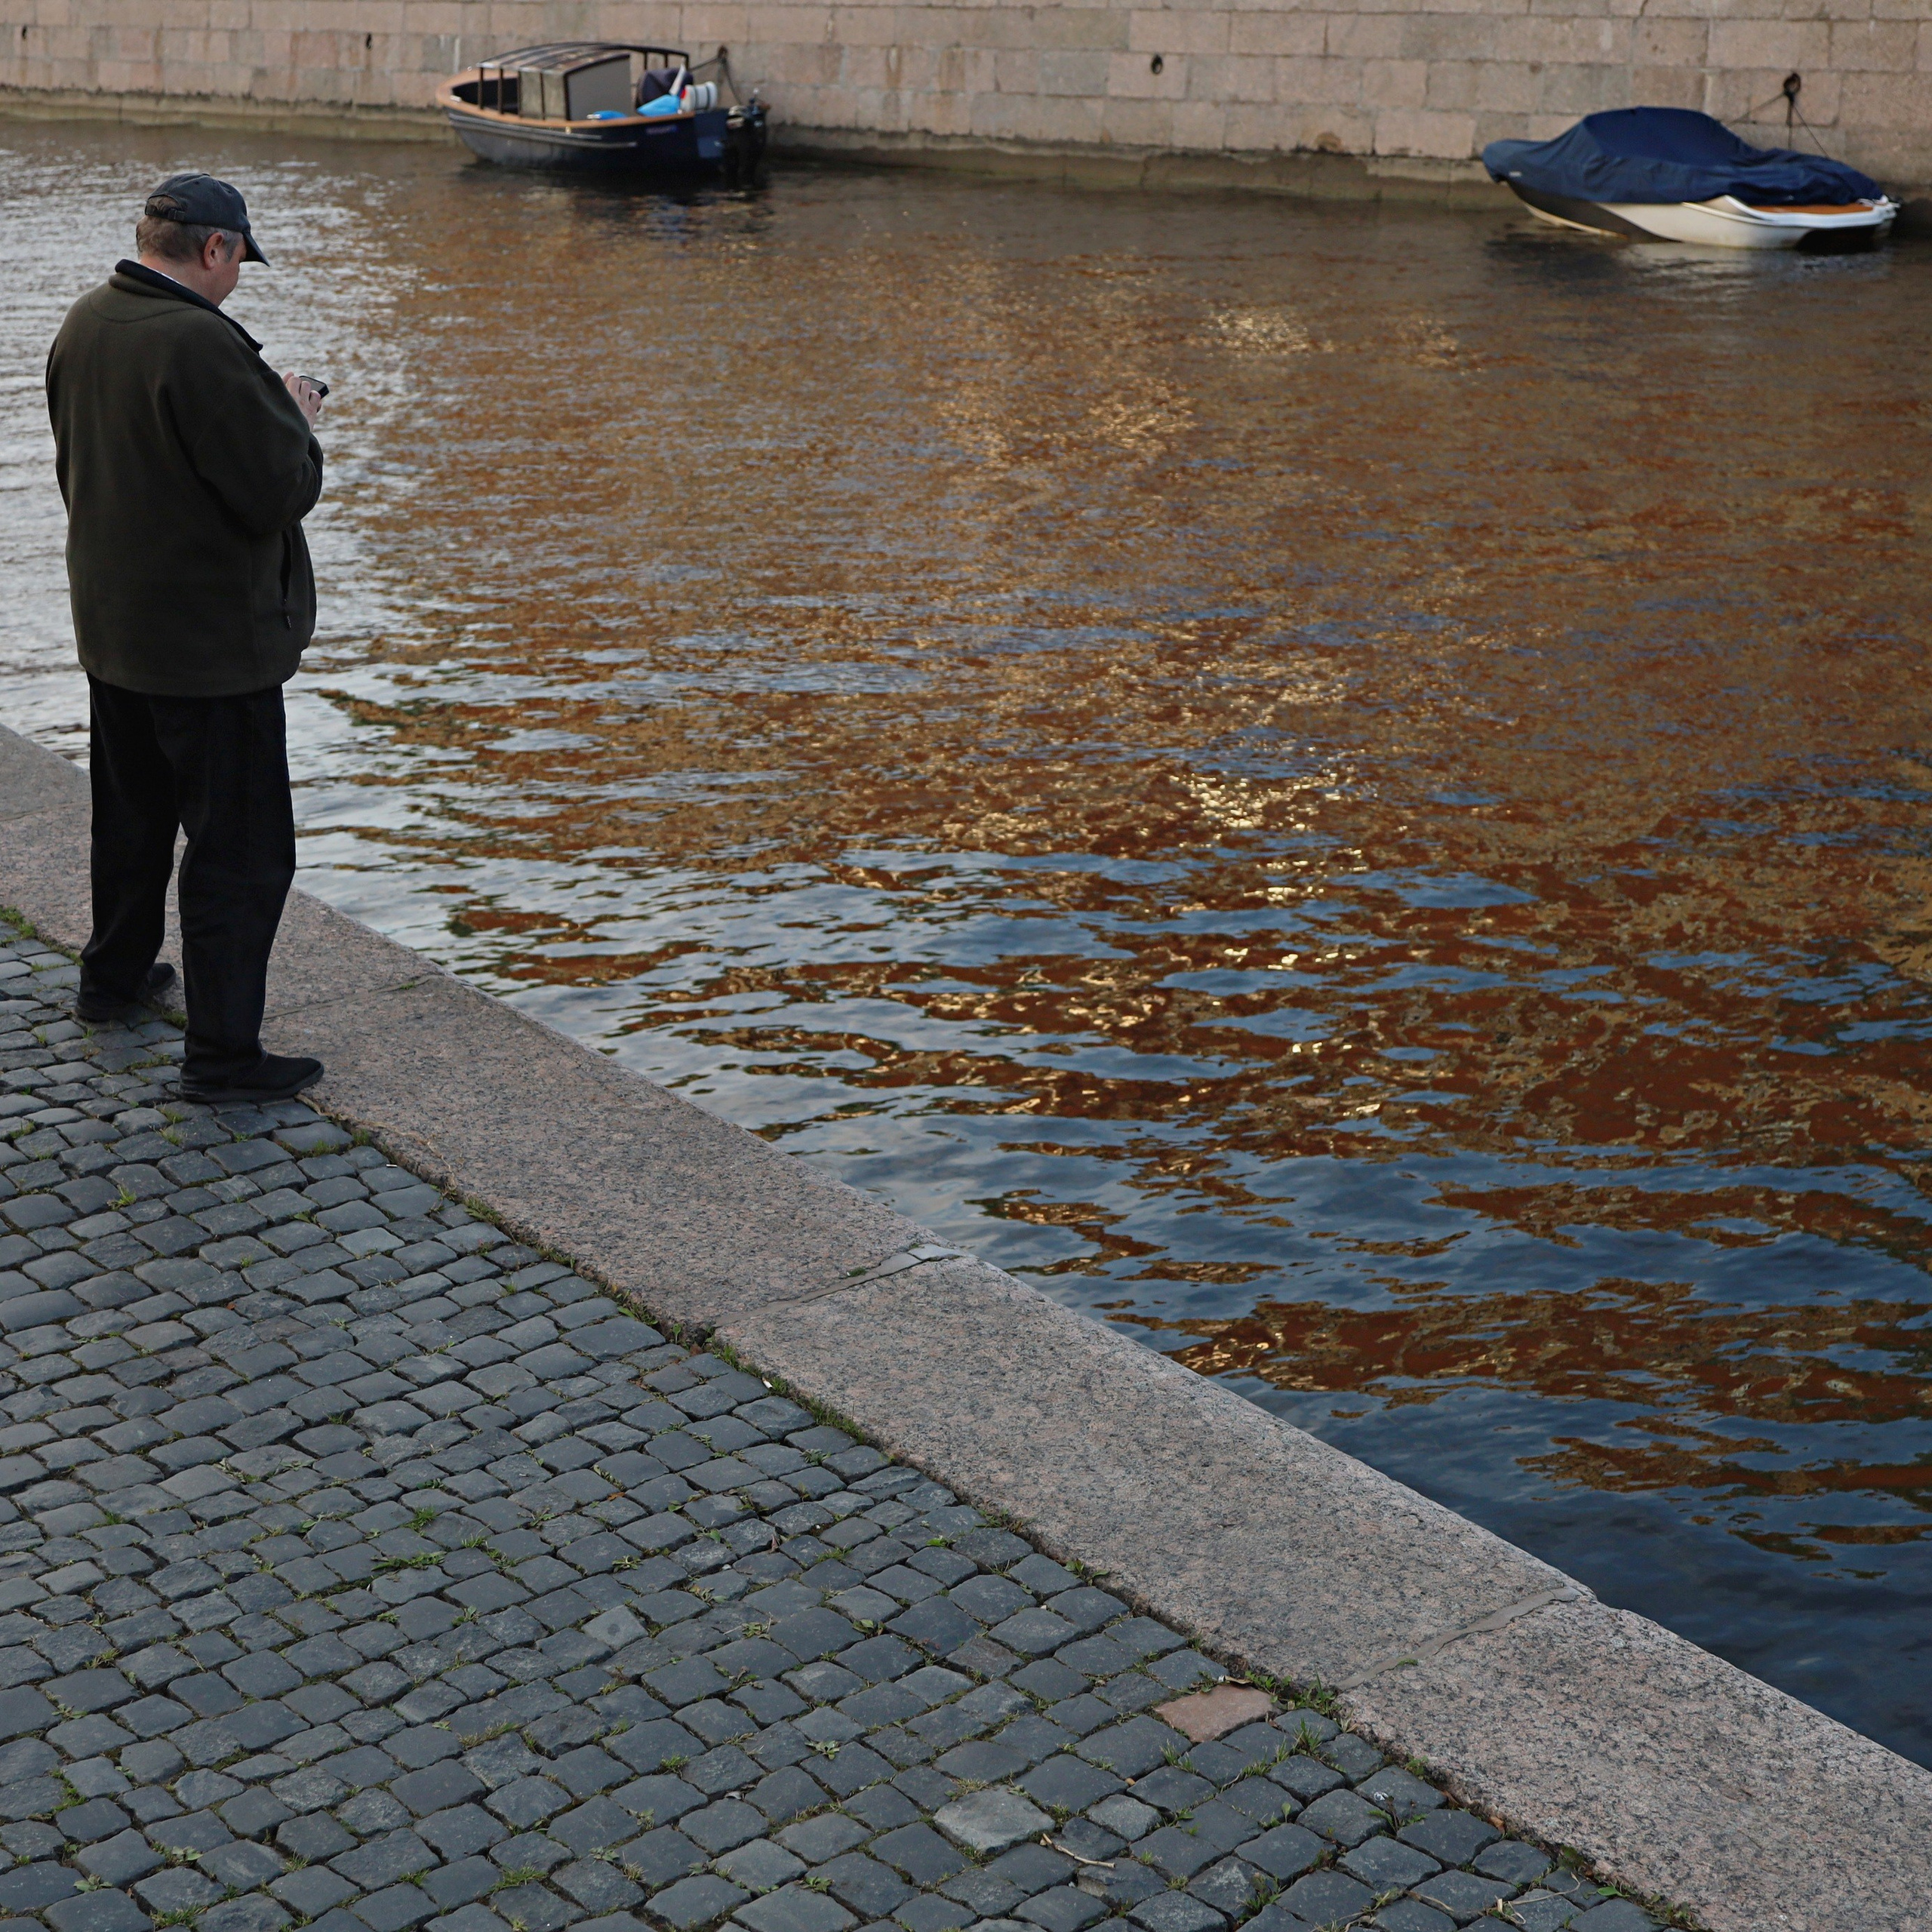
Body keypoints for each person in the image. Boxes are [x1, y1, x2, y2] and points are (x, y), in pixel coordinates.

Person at [45, 173, 328, 1105]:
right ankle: (222, 1055)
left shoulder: (87, 319)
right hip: (211, 650)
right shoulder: (201, 345)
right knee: (240, 854)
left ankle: (113, 980)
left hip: (116, 631)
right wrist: (293, 412)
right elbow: (276, 490)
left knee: (129, 819)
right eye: (240, 259)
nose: (239, 275)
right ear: (215, 249)